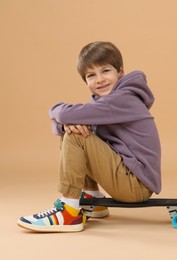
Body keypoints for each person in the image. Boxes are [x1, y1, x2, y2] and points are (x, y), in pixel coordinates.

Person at [17, 41, 161, 232]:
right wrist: (65, 124)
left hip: (136, 185)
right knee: (76, 129)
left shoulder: (123, 99)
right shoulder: (105, 104)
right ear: (86, 82)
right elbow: (64, 121)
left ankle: (69, 211)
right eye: (91, 75)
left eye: (105, 71)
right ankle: (92, 198)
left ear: (120, 71)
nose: (100, 79)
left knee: (77, 135)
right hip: (129, 178)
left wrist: (62, 120)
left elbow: (61, 114)